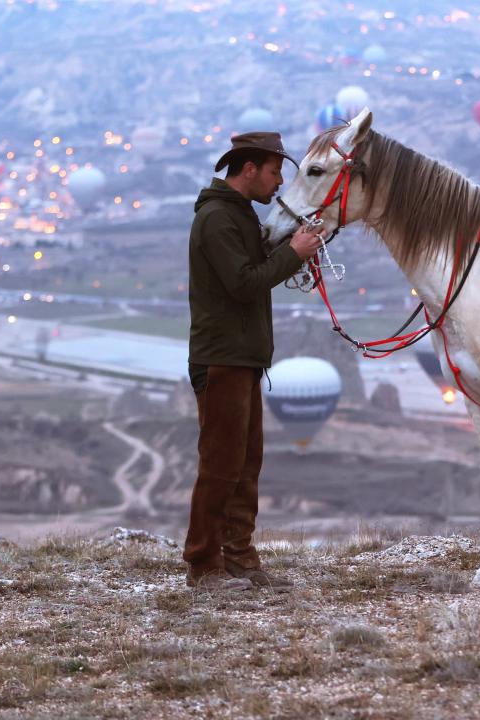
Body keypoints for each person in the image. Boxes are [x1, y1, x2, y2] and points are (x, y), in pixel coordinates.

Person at [183, 131, 319, 590]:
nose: (279, 182)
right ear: (249, 170)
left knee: (245, 464)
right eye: (275, 171)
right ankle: (204, 565)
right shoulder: (217, 219)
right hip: (221, 357)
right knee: (221, 465)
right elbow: (243, 284)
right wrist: (293, 255)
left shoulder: (237, 215)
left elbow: (255, 269)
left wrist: (293, 252)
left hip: (241, 357)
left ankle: (239, 557)